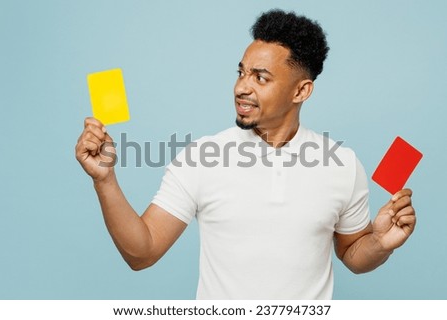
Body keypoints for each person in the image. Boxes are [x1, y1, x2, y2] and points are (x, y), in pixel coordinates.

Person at [75, 9, 416, 299]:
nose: (241, 87)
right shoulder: (201, 157)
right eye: (241, 72)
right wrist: (105, 180)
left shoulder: (342, 164)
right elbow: (142, 252)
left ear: (301, 90)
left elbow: (353, 254)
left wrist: (380, 244)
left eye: (260, 77)